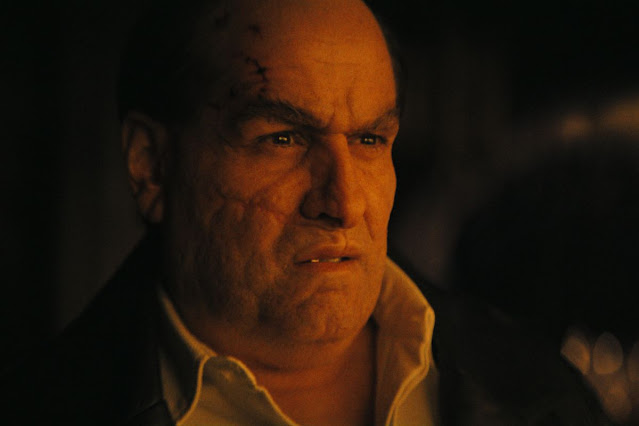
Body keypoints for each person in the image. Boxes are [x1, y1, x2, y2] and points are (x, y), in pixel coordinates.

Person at [1, 0, 611, 425]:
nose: (343, 203)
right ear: (152, 166)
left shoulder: (542, 395)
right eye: (282, 139)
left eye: (370, 140)